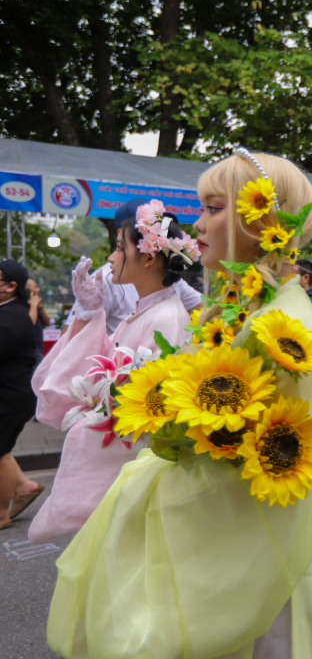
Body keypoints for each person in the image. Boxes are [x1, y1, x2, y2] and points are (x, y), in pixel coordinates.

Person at [46, 149, 312, 657]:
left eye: (213, 207)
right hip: (244, 557)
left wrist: (156, 478)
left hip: (250, 563)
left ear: (262, 218)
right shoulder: (245, 303)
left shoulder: (281, 320)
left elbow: (267, 462)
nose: (197, 222)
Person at [29, 200, 197, 544]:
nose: (110, 258)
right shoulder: (150, 308)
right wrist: (88, 315)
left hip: (142, 476)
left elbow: (151, 414)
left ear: (149, 257)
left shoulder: (166, 317)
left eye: (119, 248)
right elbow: (102, 367)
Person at [64, 199, 202, 334]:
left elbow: (204, 309)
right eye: (150, 227)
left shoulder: (167, 279)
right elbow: (69, 343)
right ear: (121, 232)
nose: (162, 237)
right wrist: (88, 313)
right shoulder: (104, 280)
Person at [0, 259, 44, 530]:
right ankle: (25, 486)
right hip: (9, 395)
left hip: (10, 398)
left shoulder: (12, 317)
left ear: (10, 287)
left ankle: (2, 514)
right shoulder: (10, 312)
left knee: (0, 453)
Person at [26, 278, 51, 363]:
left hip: (39, 350)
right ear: (27, 290)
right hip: (29, 352)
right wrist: (33, 306)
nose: (38, 289)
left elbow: (47, 323)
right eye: (35, 287)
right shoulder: (22, 306)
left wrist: (41, 309)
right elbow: (29, 324)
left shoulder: (37, 306)